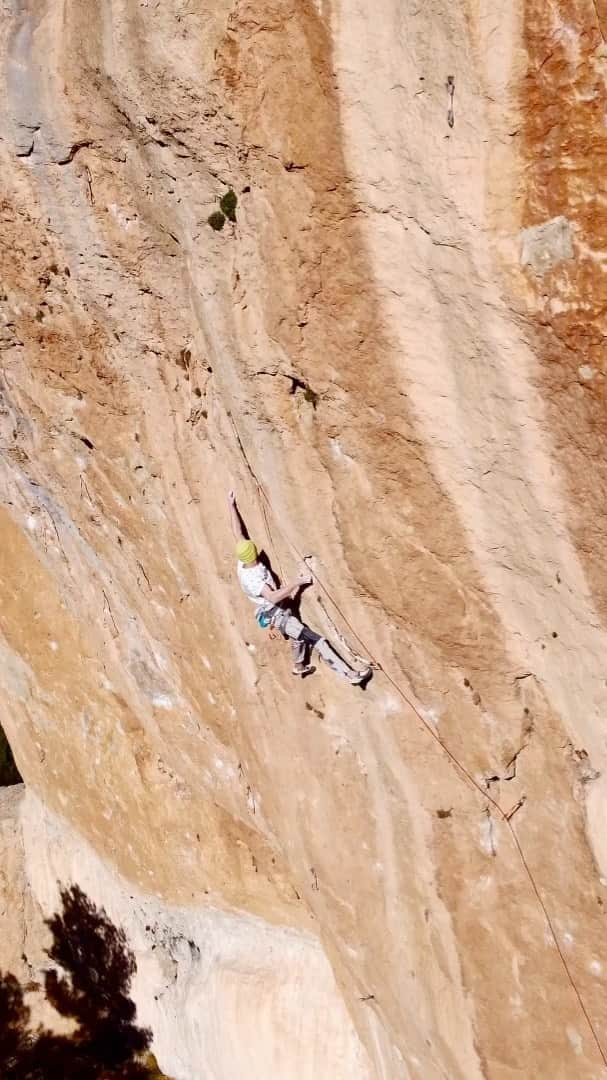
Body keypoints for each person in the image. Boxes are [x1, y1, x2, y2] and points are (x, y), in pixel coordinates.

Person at [229, 490, 372, 686]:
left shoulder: (243, 561)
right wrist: (298, 582)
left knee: (298, 636)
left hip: (277, 610)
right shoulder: (254, 579)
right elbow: (272, 596)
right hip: (278, 616)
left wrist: (232, 506)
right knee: (317, 640)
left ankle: (298, 667)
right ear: (253, 554)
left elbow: (238, 533)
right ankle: (350, 675)